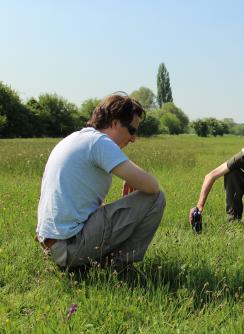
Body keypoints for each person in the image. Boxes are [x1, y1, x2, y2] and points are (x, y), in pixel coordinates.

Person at [36, 92, 166, 270]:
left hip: (53, 246)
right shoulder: (99, 142)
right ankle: (117, 266)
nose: (133, 138)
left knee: (106, 207)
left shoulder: (75, 138)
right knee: (157, 198)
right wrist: (133, 173)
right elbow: (152, 187)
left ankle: (99, 262)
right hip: (69, 247)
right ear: (114, 123)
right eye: (132, 130)